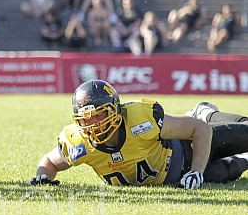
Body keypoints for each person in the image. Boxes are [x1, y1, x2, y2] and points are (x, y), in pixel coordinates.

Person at [29, 80, 248, 189]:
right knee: (228, 170)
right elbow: (50, 161)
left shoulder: (139, 117)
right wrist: (43, 178)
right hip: (171, 181)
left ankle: (203, 113)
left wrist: (196, 171)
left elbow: (199, 130)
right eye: (85, 119)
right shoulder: (78, 142)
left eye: (99, 115)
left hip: (183, 147)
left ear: (115, 110)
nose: (92, 124)